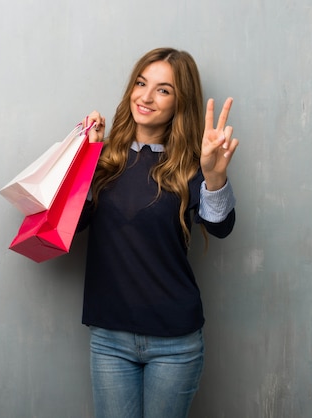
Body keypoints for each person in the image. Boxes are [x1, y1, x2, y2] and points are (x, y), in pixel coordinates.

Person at [77, 47, 239, 418]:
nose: (146, 97)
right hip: (109, 337)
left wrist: (214, 176)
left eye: (163, 90)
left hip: (175, 342)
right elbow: (72, 228)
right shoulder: (102, 160)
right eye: (141, 83)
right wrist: (84, 157)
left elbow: (221, 227)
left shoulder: (191, 165)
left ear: (180, 102)